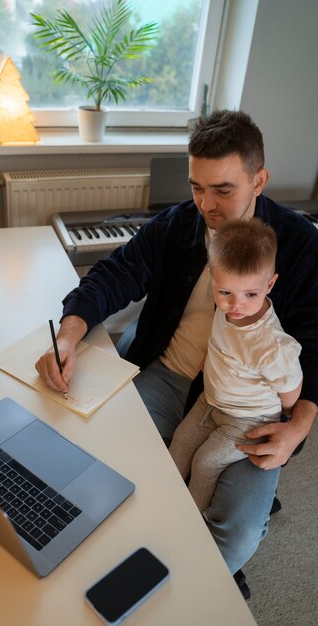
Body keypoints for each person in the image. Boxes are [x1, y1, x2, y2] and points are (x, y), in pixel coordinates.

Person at [35, 110, 318, 587]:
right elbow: (114, 274)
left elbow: (314, 342)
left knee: (237, 530)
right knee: (100, 459)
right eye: (196, 187)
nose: (205, 204)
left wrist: (298, 426)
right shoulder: (175, 225)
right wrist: (68, 333)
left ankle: (184, 590)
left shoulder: (298, 244)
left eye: (222, 190)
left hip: (251, 405)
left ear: (259, 180)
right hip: (170, 373)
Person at [169, 218, 303, 514]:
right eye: (225, 292)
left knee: (205, 462)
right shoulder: (228, 305)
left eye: (250, 294)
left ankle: (189, 519)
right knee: (180, 441)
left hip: (249, 419)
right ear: (213, 277)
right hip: (211, 399)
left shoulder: (271, 345)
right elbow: (224, 339)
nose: (235, 305)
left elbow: (292, 391)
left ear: (270, 284)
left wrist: (288, 413)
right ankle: (165, 498)